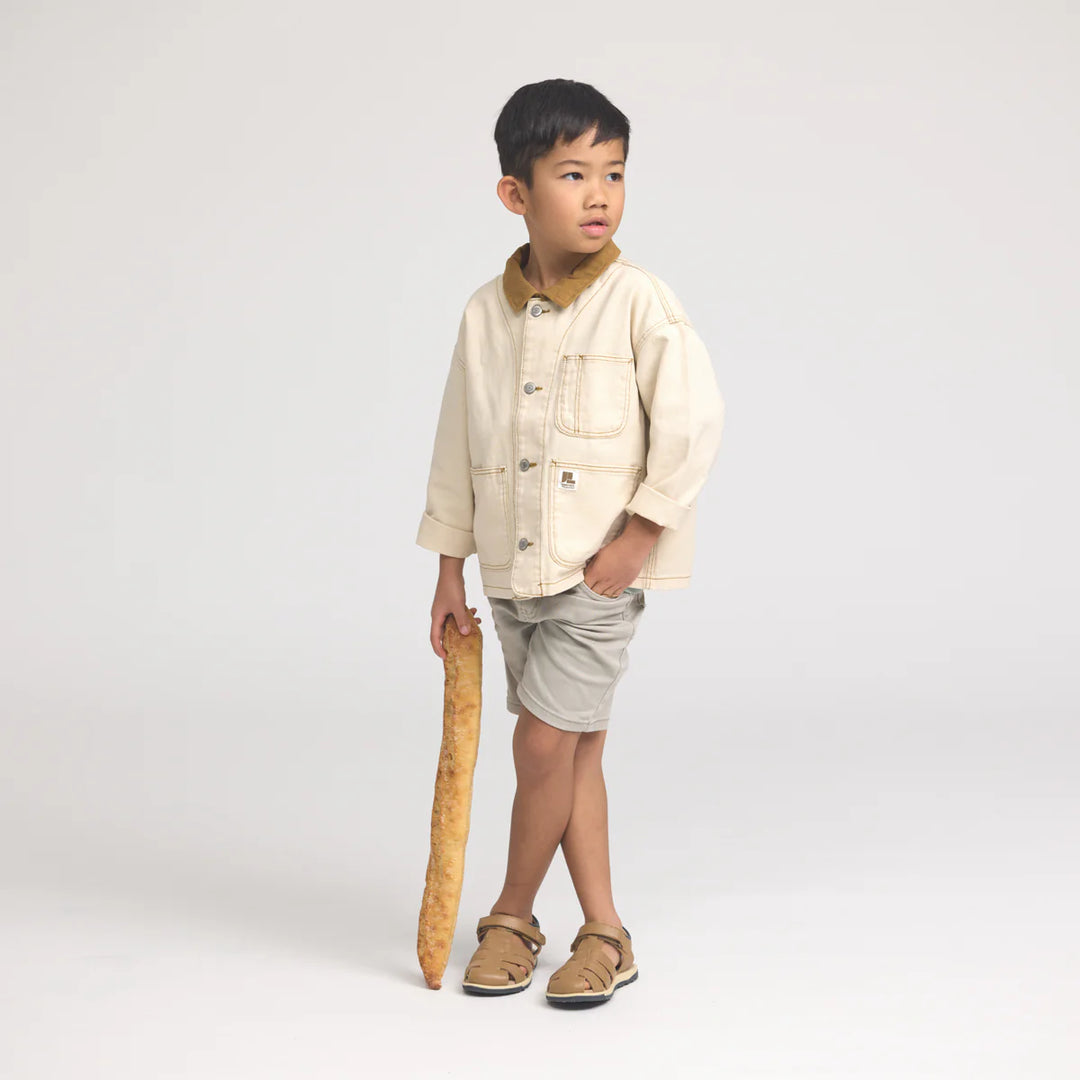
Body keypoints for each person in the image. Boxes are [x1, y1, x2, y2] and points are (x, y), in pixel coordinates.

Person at [415, 78, 725, 1006]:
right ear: (516, 193)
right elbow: (456, 445)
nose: (600, 194)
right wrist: (448, 570)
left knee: (542, 746)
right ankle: (608, 931)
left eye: (616, 173)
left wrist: (636, 539)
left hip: (595, 579)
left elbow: (693, 422)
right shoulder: (484, 314)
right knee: (577, 752)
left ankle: (512, 913)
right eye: (574, 173)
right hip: (513, 578)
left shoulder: (638, 301)